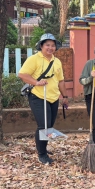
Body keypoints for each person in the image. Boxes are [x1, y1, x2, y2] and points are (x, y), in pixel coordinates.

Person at [18, 33, 69, 165]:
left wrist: (65, 96)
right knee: (43, 125)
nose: (50, 48)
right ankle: (42, 155)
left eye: (53, 45)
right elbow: (22, 74)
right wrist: (36, 82)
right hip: (38, 96)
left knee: (49, 126)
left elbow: (61, 81)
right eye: (47, 45)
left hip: (53, 97)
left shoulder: (57, 61)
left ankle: (44, 148)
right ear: (41, 46)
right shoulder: (34, 59)